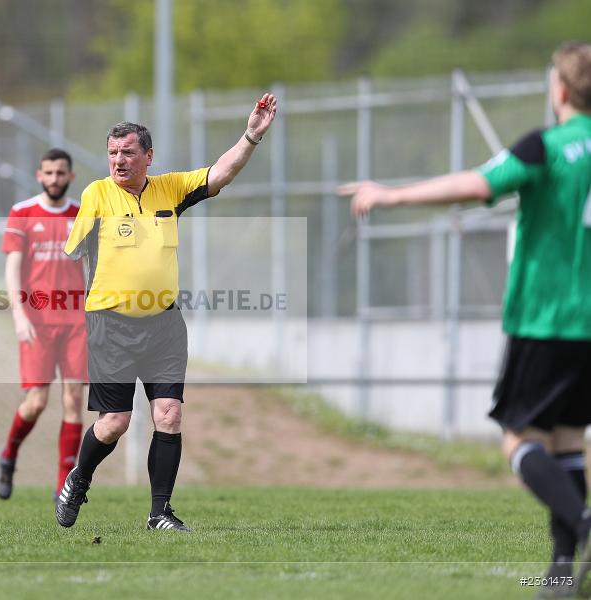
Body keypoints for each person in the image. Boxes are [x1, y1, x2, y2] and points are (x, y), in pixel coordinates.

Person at [339, 41, 591, 598]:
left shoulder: (544, 146)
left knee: (519, 442)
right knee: (568, 442)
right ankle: (559, 572)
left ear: (561, 90)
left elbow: (478, 185)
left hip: (545, 318)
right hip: (588, 326)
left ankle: (582, 524)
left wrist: (391, 196)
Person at [57, 95, 277, 532]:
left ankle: (160, 512)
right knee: (115, 424)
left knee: (169, 414)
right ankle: (79, 479)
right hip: (111, 325)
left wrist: (251, 135)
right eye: (113, 152)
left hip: (164, 324)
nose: (118, 160)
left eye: (128, 152)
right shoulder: (97, 194)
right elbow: (71, 257)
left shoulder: (169, 189)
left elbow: (221, 173)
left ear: (148, 157)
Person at [0, 148, 87, 500]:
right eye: (48, 173)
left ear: (70, 176)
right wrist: (19, 314)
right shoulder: (22, 213)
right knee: (36, 403)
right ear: (39, 175)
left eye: (61, 173)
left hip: (78, 320)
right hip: (37, 321)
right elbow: (13, 267)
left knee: (74, 398)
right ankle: (9, 454)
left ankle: (65, 483)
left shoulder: (81, 213)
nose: (54, 179)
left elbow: (94, 263)